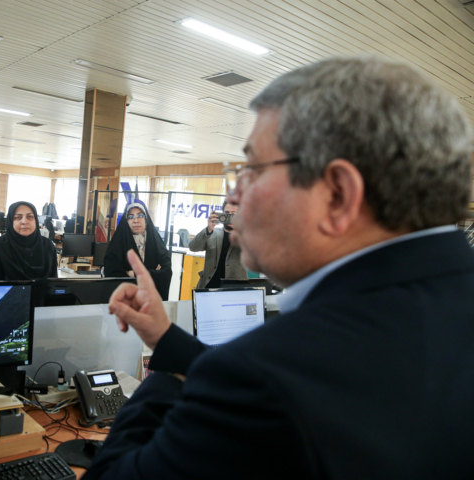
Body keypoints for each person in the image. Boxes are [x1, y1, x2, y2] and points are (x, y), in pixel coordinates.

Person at [84, 56, 474, 479]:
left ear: (338, 196)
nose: (234, 199)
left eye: (251, 169)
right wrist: (168, 342)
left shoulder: (267, 377)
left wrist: (165, 372)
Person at [103, 202, 172, 300]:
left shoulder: (156, 243)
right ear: (126, 221)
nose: (136, 220)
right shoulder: (118, 244)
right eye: (131, 217)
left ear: (146, 218)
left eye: (140, 215)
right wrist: (154, 274)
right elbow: (112, 275)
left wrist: (133, 274)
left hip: (152, 302)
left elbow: (166, 273)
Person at [0, 201, 57, 281]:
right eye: (18, 217)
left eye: (30, 217)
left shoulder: (48, 246)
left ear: (36, 220)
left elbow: (54, 286)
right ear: (11, 221)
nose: (24, 222)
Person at [188, 201, 247, 288]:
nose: (230, 217)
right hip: (208, 287)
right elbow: (193, 247)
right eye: (227, 213)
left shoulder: (246, 236)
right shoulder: (212, 233)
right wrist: (208, 230)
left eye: (234, 213)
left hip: (234, 289)